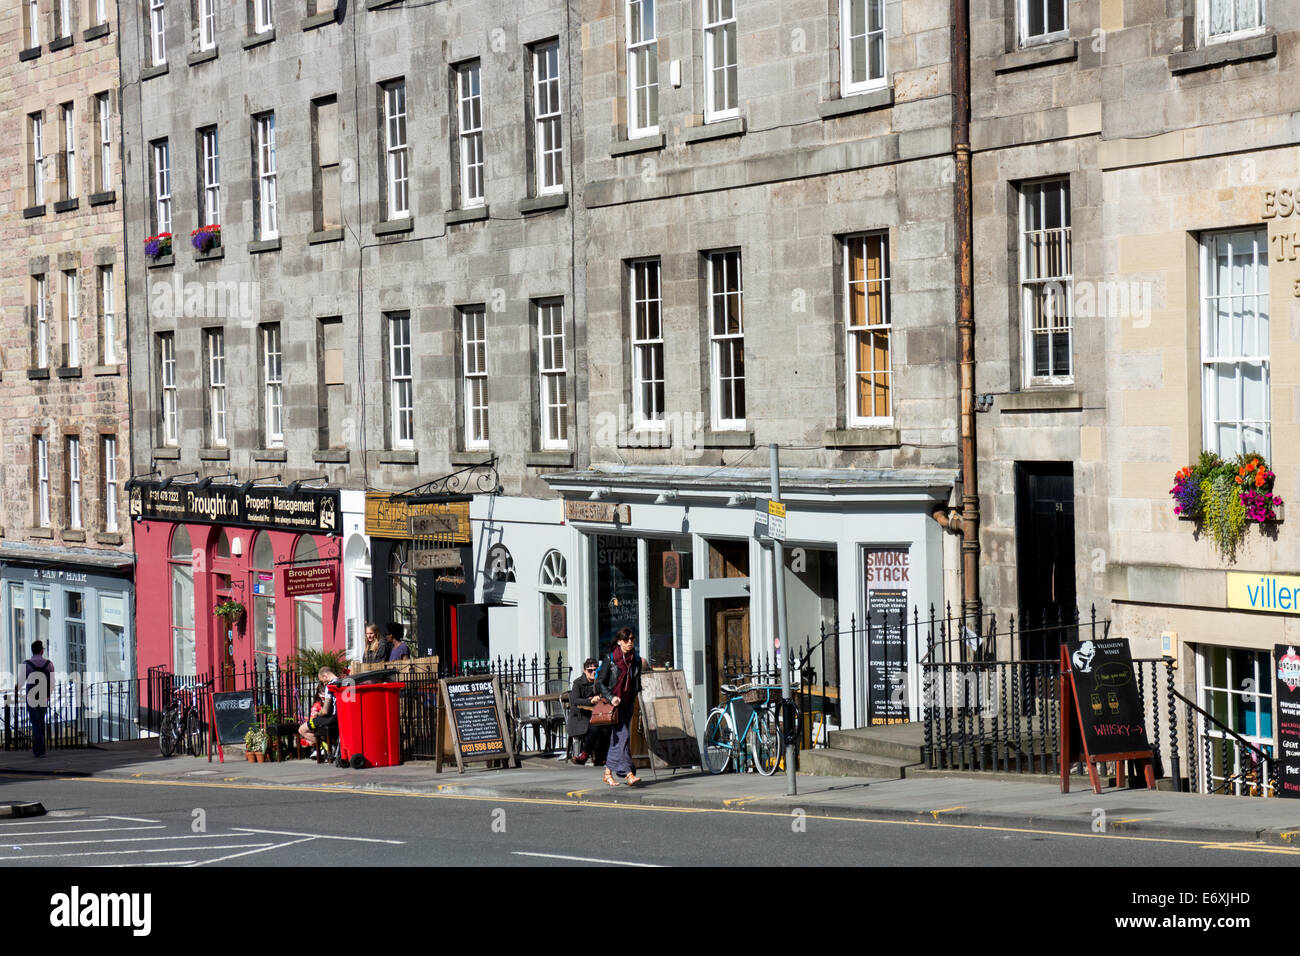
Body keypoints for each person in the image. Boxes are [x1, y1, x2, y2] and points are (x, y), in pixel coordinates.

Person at [597, 628, 644, 786]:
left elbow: (636, 682)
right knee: (623, 736)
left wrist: (635, 697)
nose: (630, 642)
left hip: (627, 703)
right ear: (619, 641)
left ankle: (607, 773)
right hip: (614, 704)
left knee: (617, 739)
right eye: (626, 639)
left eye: (632, 639)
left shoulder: (635, 660)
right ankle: (628, 773)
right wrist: (611, 697)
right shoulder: (610, 659)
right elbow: (600, 684)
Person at [567, 658, 609, 765]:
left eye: (595, 670)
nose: (593, 672)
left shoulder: (600, 682)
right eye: (590, 670)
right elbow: (575, 700)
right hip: (580, 717)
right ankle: (584, 755)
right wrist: (590, 700)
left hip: (596, 715)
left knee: (606, 727)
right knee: (595, 727)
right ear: (585, 671)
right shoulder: (578, 683)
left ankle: (600, 757)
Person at [18, 642, 54, 758]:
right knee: (41, 722)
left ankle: (39, 749)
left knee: (35, 723)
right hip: (43, 696)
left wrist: (15, 691)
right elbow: (52, 683)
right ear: (42, 651)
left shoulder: (26, 664)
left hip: (31, 697)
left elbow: (20, 682)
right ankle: (40, 749)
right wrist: (48, 695)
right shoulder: (49, 664)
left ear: (32, 650)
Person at [298, 667, 341, 754]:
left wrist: (318, 713)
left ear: (325, 676)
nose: (323, 683)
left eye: (322, 680)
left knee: (302, 730)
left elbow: (325, 711)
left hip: (330, 719)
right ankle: (329, 747)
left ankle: (327, 747)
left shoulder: (329, 686)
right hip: (340, 718)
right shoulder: (343, 682)